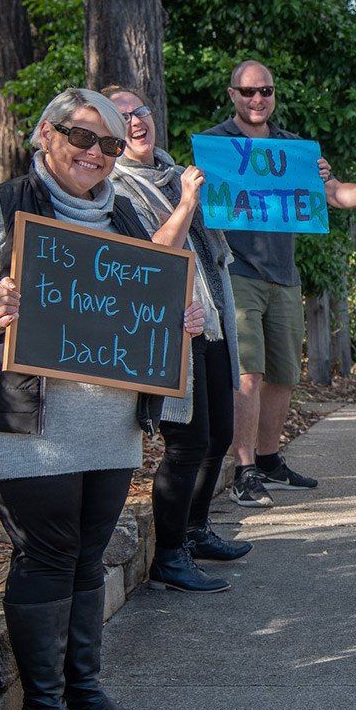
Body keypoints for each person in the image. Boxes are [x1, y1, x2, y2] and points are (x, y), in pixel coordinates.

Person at [0, 89, 204, 710]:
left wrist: (182, 321)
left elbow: (147, 304)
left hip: (107, 423)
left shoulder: (122, 215)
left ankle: (83, 690)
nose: (95, 152)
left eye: (110, 144)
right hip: (23, 424)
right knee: (49, 552)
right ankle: (44, 706)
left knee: (88, 554)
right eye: (81, 137)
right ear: (44, 134)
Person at [201, 60, 356, 508]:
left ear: (274, 96)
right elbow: (197, 198)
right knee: (247, 373)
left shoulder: (293, 149)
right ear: (232, 94)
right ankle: (244, 470)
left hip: (284, 276)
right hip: (235, 272)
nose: (257, 99)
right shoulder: (215, 145)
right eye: (248, 91)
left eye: (265, 91)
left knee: (284, 376)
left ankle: (270, 461)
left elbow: (332, 194)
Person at [104, 85, 251, 595]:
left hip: (208, 318)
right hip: (170, 327)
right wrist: (188, 200)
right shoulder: (115, 190)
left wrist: (307, 183)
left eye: (139, 110)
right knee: (186, 444)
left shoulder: (174, 171)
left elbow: (235, 215)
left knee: (218, 437)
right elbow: (150, 255)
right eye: (121, 117)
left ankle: (195, 530)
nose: (135, 122)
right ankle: (168, 555)